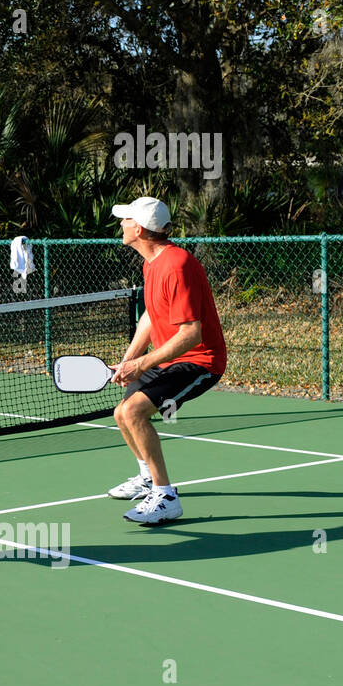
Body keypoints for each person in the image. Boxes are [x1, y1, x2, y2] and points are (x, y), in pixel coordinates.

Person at [108, 197, 227, 524]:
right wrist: (129, 359)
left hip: (200, 360)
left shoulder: (177, 264)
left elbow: (191, 335)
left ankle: (165, 496)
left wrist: (142, 365)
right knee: (122, 413)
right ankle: (147, 477)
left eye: (126, 220)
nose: (121, 224)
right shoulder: (152, 262)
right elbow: (151, 315)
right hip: (169, 358)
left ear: (140, 229)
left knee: (134, 411)